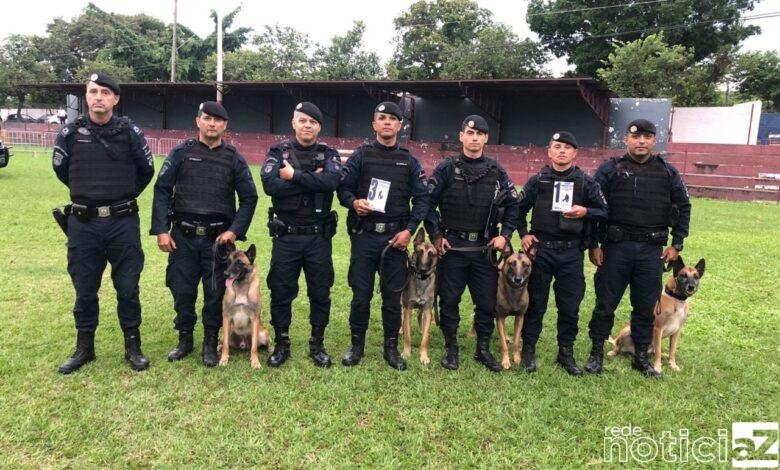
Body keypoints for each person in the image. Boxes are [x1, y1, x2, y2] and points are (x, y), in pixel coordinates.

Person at [52, 73, 155, 374]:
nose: (99, 97)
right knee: (85, 289)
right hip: (83, 224)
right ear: (86, 96)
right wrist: (90, 195)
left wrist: (120, 197)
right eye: (93, 91)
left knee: (128, 288)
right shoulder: (70, 133)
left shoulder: (130, 132)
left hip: (123, 223)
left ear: (115, 99)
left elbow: (146, 171)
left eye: (105, 92)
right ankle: (84, 348)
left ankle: (133, 347)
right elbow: (62, 170)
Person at [150, 101, 258, 367]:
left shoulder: (233, 157)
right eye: (207, 118)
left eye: (217, 120)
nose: (212, 123)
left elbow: (249, 197)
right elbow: (162, 190)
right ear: (197, 121)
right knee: (182, 290)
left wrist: (234, 230)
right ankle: (185, 339)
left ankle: (210, 341)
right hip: (183, 237)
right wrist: (161, 229)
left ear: (225, 125)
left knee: (214, 292)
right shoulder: (181, 153)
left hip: (216, 242)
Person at [585, 119, 691, 378]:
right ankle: (596, 353)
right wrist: (594, 244)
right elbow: (593, 206)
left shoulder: (667, 172)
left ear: (654, 140)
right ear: (626, 140)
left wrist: (677, 243)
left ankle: (641, 356)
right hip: (616, 248)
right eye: (635, 137)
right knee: (605, 303)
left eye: (647, 136)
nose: (641, 141)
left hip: (650, 250)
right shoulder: (610, 169)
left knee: (645, 307)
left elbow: (684, 206)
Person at [337, 101, 430, 370]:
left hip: (395, 240)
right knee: (361, 295)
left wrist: (409, 231)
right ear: (374, 124)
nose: (387, 122)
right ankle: (357, 346)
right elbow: (343, 189)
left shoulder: (409, 160)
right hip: (365, 237)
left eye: (392, 118)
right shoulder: (361, 156)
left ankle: (391, 348)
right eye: (382, 118)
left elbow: (422, 198)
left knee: (392, 298)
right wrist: (353, 202)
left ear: (400, 125)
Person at [425, 115, 520, 372]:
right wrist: (436, 236)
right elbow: (427, 203)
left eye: (479, 134)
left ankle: (483, 349)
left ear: (486, 138)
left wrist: (505, 235)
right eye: (470, 133)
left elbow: (513, 206)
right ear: (461, 136)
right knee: (449, 300)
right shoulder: (446, 169)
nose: (474, 138)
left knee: (486, 302)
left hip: (484, 249)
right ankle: (451, 347)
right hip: (453, 247)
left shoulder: (497, 171)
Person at [517, 131, 607, 376]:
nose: (562, 151)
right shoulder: (538, 180)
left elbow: (604, 211)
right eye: (557, 147)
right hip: (541, 252)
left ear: (575, 153)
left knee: (569, 306)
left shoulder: (586, 182)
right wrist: (523, 234)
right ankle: (528, 350)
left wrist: (585, 211)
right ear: (549, 151)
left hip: (571, 253)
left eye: (567, 147)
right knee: (536, 303)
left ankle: (565, 352)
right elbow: (517, 209)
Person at [260, 102, 341, 368]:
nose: (307, 125)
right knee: (281, 291)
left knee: (320, 292)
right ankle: (282, 344)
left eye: (313, 122)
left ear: (319, 127)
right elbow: (270, 186)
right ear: (293, 123)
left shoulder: (329, 154)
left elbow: (332, 182)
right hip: (287, 237)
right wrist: (310, 180)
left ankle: (317, 344)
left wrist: (293, 175)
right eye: (302, 120)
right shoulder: (278, 151)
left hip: (319, 237)